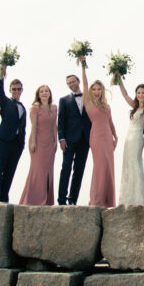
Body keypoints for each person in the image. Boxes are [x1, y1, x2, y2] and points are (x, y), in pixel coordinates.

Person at [114, 77, 144, 205]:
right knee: (127, 164)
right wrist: (119, 77)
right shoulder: (134, 106)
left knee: (135, 163)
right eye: (139, 93)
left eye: (143, 93)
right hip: (128, 138)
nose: (141, 95)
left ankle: (140, 197)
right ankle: (128, 197)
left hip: (137, 138)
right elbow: (124, 94)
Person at [79, 59, 117, 207]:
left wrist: (116, 137)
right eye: (94, 89)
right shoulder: (88, 103)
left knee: (109, 166)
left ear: (102, 91)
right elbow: (85, 84)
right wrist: (83, 66)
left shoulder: (106, 106)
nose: (96, 91)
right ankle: (97, 200)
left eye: (98, 89)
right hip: (96, 137)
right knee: (100, 167)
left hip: (108, 137)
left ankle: (108, 200)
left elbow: (110, 122)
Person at [0, 66, 27, 203]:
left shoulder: (23, 107)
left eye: (19, 89)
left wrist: (22, 143)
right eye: (14, 89)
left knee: (10, 172)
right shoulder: (5, 102)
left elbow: (23, 127)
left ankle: (4, 198)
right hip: (4, 140)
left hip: (17, 144)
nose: (16, 91)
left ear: (22, 90)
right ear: (10, 90)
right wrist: (1, 74)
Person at [19, 85, 59, 205]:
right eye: (42, 92)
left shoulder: (54, 107)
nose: (44, 93)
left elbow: (54, 125)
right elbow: (33, 126)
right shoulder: (35, 108)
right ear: (38, 94)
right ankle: (34, 199)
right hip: (38, 142)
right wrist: (33, 142)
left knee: (48, 170)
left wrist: (55, 141)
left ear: (50, 93)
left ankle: (47, 200)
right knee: (38, 170)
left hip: (50, 143)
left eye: (46, 91)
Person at [57, 72, 91, 205]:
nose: (71, 84)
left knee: (79, 170)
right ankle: (61, 199)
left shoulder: (88, 98)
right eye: (69, 83)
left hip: (84, 140)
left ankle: (73, 199)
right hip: (69, 140)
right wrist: (62, 139)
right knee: (66, 168)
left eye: (73, 81)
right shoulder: (64, 100)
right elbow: (60, 122)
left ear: (78, 81)